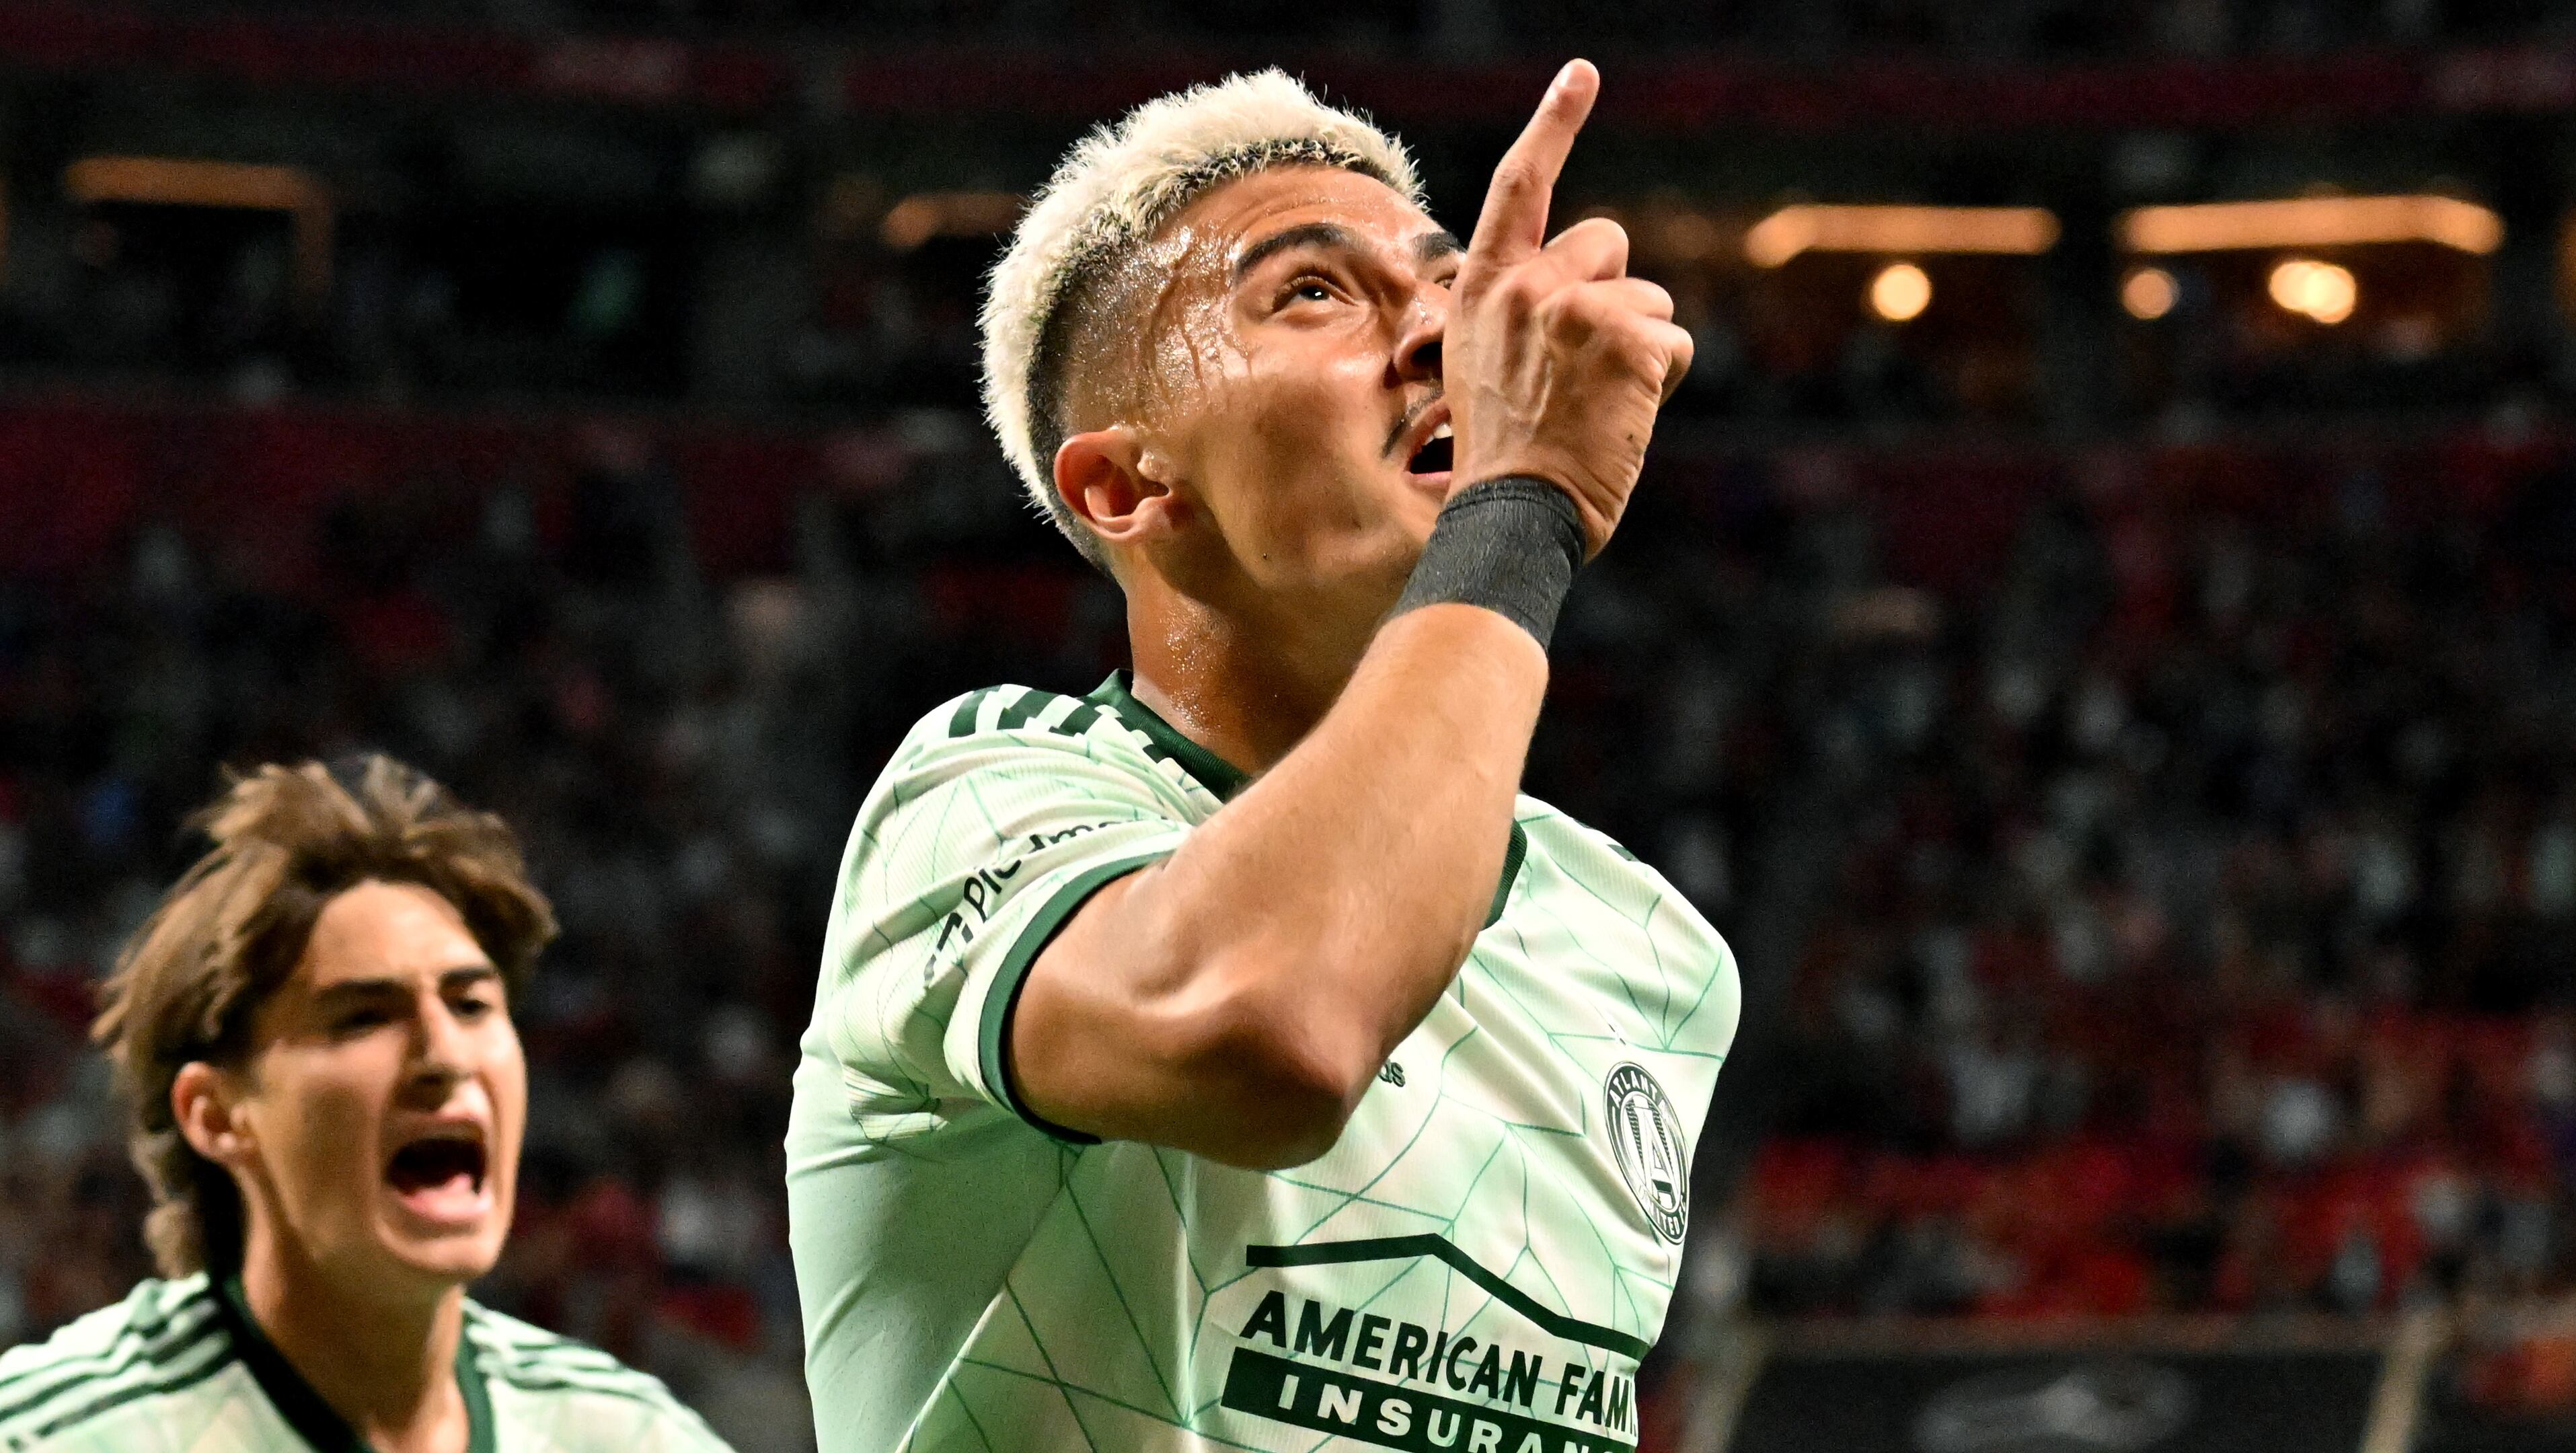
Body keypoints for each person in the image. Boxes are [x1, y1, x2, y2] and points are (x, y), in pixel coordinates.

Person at [786, 60, 1733, 1452]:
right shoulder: (985, 797)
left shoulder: (1651, 947)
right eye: (1313, 292)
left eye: (1451, 288)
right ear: (1125, 487)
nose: (1444, 340)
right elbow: (1274, 1028)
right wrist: (1519, 507)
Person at [0, 756, 733, 1453]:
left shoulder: (630, 1436)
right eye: (362, 1018)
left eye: (472, 1004)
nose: (445, 1055)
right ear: (217, 1115)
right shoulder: (50, 1436)